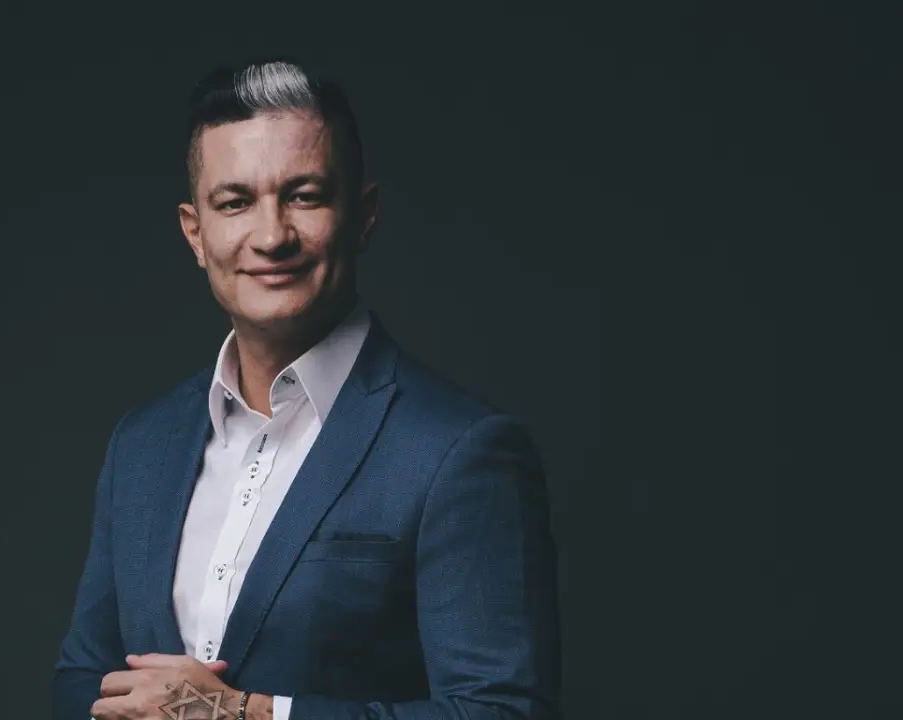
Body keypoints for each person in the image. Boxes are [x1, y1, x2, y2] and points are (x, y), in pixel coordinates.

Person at [53, 57, 562, 720]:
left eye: (304, 196)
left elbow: (502, 713)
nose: (271, 236)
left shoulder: (460, 451)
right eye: (235, 203)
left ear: (364, 215)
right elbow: (81, 680)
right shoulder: (142, 444)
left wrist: (247, 715)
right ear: (196, 233)